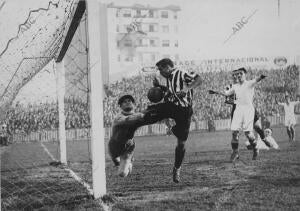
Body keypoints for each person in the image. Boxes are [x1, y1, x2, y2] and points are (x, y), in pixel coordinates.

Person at [143, 58, 202, 183]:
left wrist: (186, 89)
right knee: (150, 110)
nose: (159, 72)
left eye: (160, 69)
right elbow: (171, 92)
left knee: (181, 144)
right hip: (172, 107)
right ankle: (130, 129)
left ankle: (177, 168)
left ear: (168, 67)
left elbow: (199, 79)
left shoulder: (181, 72)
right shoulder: (170, 78)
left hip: (185, 111)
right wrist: (159, 87)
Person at [209, 67, 267, 161]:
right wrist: (217, 93)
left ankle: (256, 147)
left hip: (248, 109)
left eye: (238, 74)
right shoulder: (230, 86)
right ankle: (235, 152)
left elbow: (254, 83)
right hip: (237, 110)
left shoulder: (247, 84)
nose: (236, 77)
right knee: (235, 133)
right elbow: (227, 99)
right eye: (234, 75)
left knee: (254, 131)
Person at [108, 94, 145, 177]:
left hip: (128, 147)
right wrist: (142, 116)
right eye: (124, 102)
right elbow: (127, 120)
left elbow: (147, 119)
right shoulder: (118, 117)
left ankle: (129, 162)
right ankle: (120, 162)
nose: (127, 102)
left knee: (122, 173)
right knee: (116, 162)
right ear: (120, 106)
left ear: (134, 104)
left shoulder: (137, 116)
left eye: (129, 101)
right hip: (114, 146)